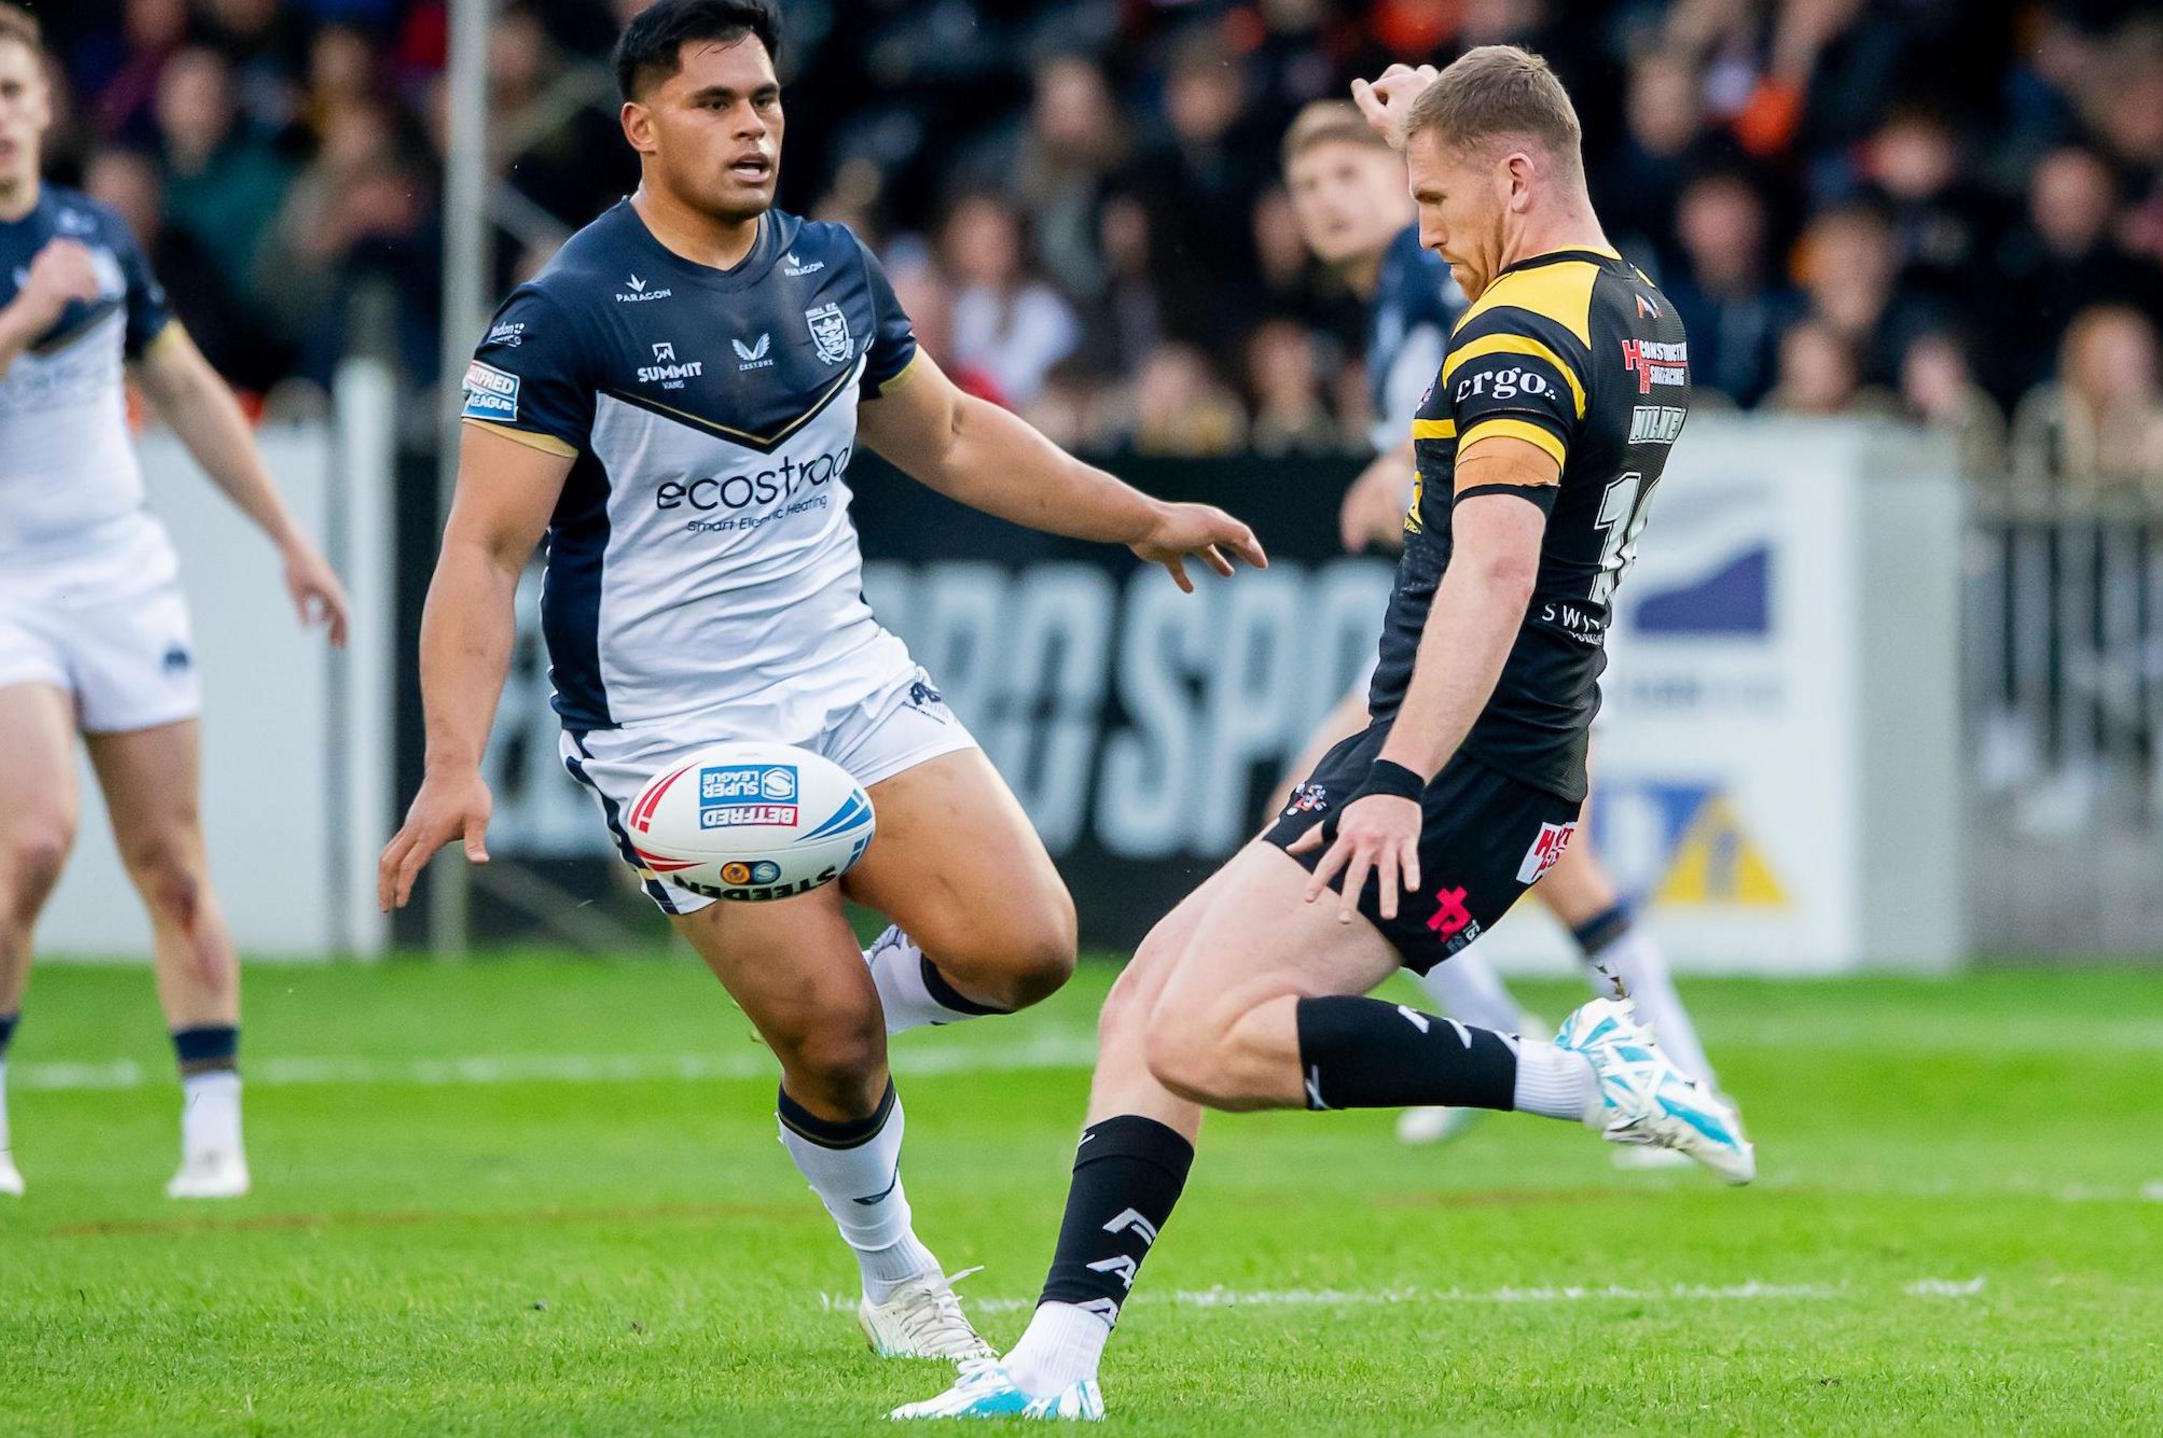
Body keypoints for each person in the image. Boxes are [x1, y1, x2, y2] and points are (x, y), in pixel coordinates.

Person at [374, 0, 1260, 1366]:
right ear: (641, 125)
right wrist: (451, 758)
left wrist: (1137, 514)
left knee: (1026, 948)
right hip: (670, 733)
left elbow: (957, 438)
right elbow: (483, 550)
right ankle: (894, 1268)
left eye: (767, 101)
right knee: (840, 1047)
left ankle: (818, 993)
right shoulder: (563, 313)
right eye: (718, 103)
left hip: (844, 679)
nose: (753, 127)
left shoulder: (833, 270)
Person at [896, 49, 1751, 1422]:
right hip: (1500, 743)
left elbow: (1491, 569)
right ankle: (1055, 1363)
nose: (1421, 234)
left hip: (1455, 753)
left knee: (1201, 1038)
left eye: (1431, 199)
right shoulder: (1637, 307)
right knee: (1143, 1003)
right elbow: (1514, 161)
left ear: (1516, 180)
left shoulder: (1516, 333)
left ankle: (1587, 1072)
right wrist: (1437, 126)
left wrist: (1398, 773)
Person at [0, 2, 350, 1201]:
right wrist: (22, 315)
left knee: (174, 865)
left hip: (122, 578)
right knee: (33, 842)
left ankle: (214, 1139)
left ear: (45, 104)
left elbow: (186, 392)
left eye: (13, 91)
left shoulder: (98, 237)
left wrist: (291, 539)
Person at [1273, 95, 1727, 1151]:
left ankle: (1532, 1050)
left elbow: (1509, 373)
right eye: (1306, 189)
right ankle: (1653, 1072)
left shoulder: (1441, 274)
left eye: (1357, 178)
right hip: (1498, 607)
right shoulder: (1398, 287)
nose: (1327, 204)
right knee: (1561, 864)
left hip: (1505, 612)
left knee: (1330, 814)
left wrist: (1393, 470)